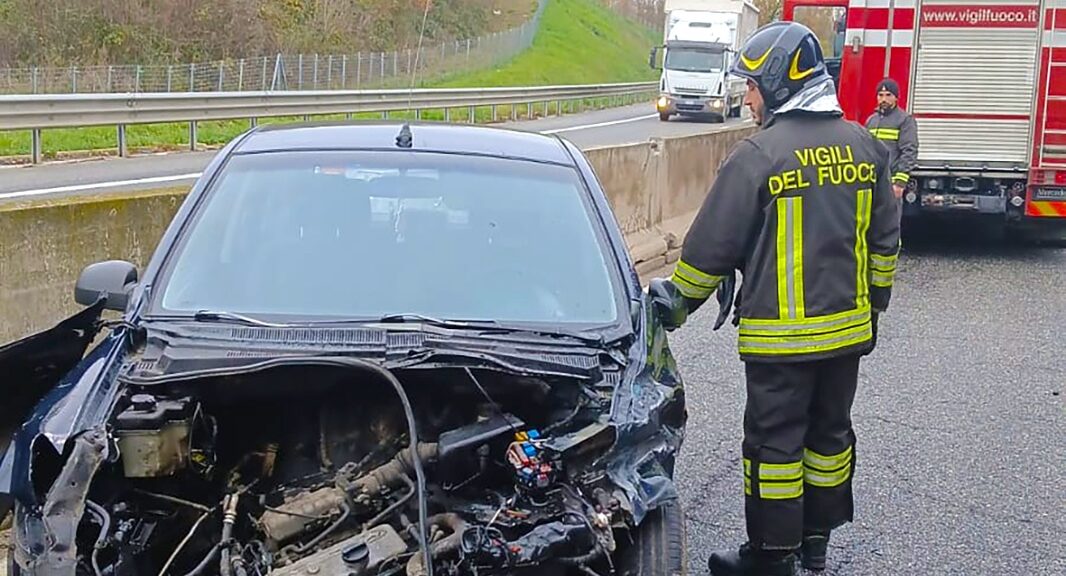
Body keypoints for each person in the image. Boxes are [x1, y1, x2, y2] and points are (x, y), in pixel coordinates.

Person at [652, 21, 901, 576]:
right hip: (848, 336)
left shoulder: (758, 155)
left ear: (779, 84)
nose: (746, 96)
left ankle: (770, 556)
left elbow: (709, 250)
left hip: (781, 344)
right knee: (829, 438)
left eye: (752, 86)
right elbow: (885, 241)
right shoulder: (865, 146)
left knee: (775, 451)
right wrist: (875, 304)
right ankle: (816, 542)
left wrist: (671, 306)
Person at [865, 78, 918, 200]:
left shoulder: (905, 120)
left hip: (891, 183)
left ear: (896, 98)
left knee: (890, 219)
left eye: (888, 95)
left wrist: (900, 183)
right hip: (871, 182)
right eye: (880, 95)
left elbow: (909, 151)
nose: (884, 99)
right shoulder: (871, 120)